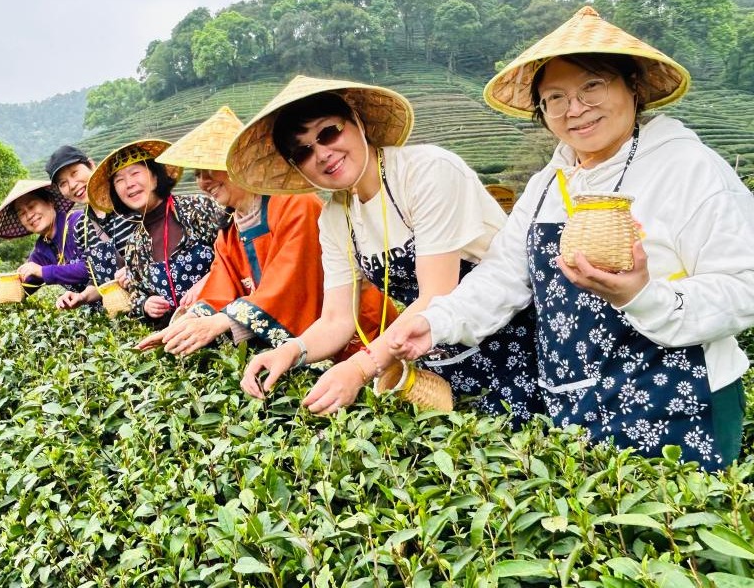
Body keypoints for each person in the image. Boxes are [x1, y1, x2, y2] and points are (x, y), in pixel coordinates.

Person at [391, 6, 754, 468]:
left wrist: (644, 297)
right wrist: (438, 322)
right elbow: (503, 275)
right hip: (577, 408)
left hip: (680, 402)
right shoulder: (548, 184)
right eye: (555, 97)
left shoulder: (689, 168)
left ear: (633, 86)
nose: (575, 109)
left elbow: (744, 285)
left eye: (592, 86)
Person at [231, 76, 542, 420]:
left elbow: (436, 294)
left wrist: (360, 368)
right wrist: (291, 351)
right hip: (434, 355)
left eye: (328, 133)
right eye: (303, 152)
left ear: (358, 122)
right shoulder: (336, 217)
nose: (322, 154)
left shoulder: (425, 172)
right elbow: (337, 319)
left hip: (508, 338)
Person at [135, 106, 393, 356]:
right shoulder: (229, 229)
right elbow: (221, 285)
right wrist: (187, 322)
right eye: (197, 173)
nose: (203, 181)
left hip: (361, 334)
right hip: (307, 347)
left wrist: (220, 322)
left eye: (209, 169)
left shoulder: (295, 204)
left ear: (240, 163)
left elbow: (289, 283)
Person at [85, 139, 224, 326]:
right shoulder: (134, 245)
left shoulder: (197, 208)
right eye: (119, 180)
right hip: (180, 336)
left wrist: (209, 280)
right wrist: (145, 305)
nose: (129, 184)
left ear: (156, 176)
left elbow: (237, 250)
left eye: (135, 173)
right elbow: (136, 296)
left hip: (224, 322)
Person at [0, 179, 88, 298]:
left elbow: (92, 268)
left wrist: (42, 271)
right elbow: (19, 288)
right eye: (21, 213)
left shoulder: (80, 223)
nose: (29, 216)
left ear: (50, 202)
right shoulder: (41, 251)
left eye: (32, 206)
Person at [44, 145, 137, 310]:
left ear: (91, 165)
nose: (72, 185)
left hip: (160, 306)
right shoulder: (81, 228)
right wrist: (82, 297)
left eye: (74, 173)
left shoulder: (130, 201)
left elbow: (167, 249)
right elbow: (98, 281)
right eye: (63, 183)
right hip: (125, 316)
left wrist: (138, 270)